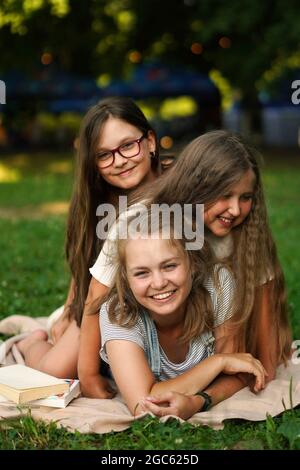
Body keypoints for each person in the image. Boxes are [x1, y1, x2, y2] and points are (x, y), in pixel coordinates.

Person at [83, 130, 291, 407]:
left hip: (200, 325)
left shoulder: (244, 238)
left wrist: (262, 363)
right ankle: (35, 341)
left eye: (246, 197)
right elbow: (96, 297)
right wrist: (87, 373)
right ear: (197, 188)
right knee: (59, 362)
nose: (235, 209)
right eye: (224, 194)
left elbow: (265, 307)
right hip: (122, 316)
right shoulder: (141, 222)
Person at [17, 96, 161, 391]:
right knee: (56, 369)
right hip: (101, 302)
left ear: (150, 142)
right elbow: (86, 263)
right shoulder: (100, 200)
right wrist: (71, 308)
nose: (119, 161)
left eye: (127, 146)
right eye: (104, 155)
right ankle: (32, 339)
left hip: (158, 292)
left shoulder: (180, 185)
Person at [99, 210, 267, 419]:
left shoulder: (217, 285)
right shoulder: (118, 313)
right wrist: (219, 361)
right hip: (106, 352)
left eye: (169, 266)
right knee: (53, 364)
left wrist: (198, 401)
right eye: (142, 273)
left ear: (192, 264)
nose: (159, 283)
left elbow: (237, 373)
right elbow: (142, 403)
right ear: (126, 279)